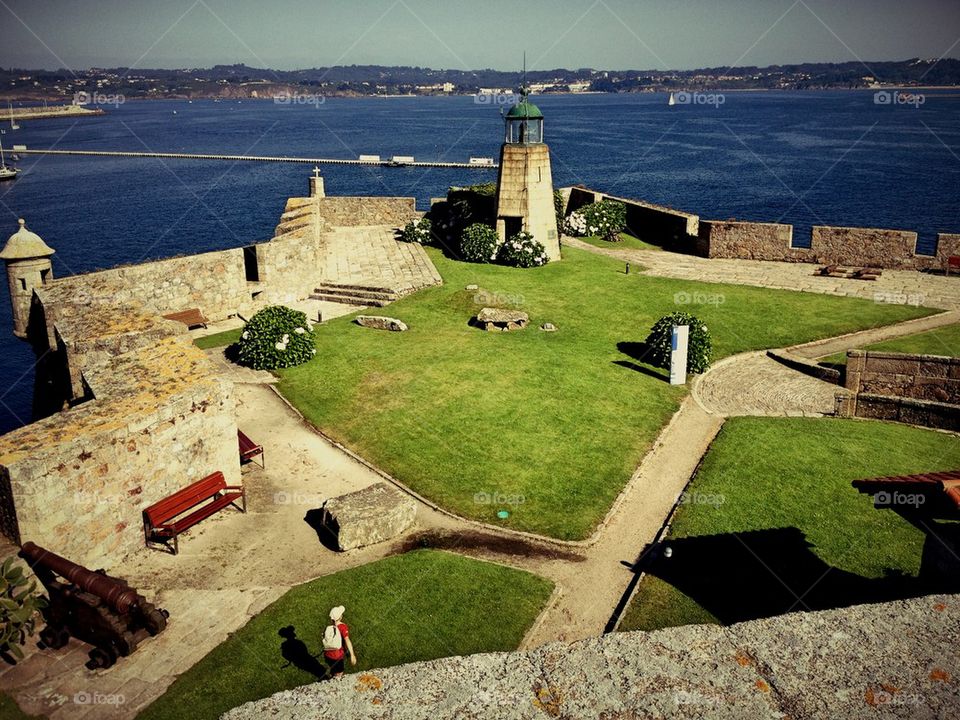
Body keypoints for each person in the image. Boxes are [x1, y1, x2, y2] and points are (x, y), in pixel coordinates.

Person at [322, 605, 356, 678]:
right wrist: (352, 655)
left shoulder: (329, 628)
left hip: (327, 654)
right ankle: (335, 680)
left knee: (333, 667)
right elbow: (347, 640)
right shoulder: (343, 627)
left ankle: (333, 674)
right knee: (339, 672)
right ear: (340, 617)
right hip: (337, 655)